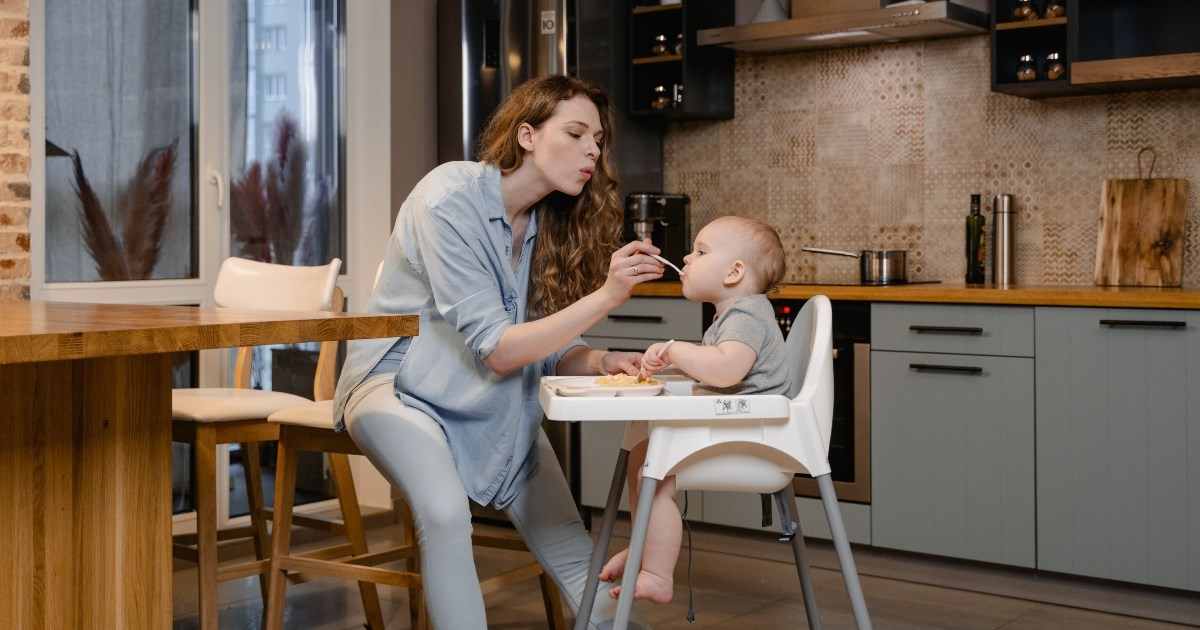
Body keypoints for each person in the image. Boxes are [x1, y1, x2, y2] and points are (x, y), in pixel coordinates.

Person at [331, 74, 665, 629]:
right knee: (443, 514)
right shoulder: (447, 198)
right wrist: (608, 295)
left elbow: (548, 344)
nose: (592, 151)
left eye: (598, 140)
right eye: (577, 133)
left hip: (490, 396)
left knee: (571, 546)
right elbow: (501, 352)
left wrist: (602, 361)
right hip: (397, 387)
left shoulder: (550, 224)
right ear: (527, 135)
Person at [599, 215, 790, 604]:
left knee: (654, 467)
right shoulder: (733, 315)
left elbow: (725, 369)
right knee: (642, 456)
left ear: (735, 272)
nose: (686, 258)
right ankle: (645, 549)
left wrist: (677, 350)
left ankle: (656, 573)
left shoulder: (747, 314)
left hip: (750, 436)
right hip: (736, 426)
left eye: (701, 252)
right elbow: (721, 366)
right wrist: (677, 362)